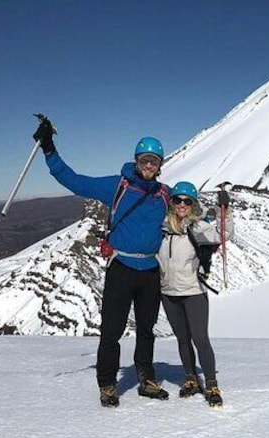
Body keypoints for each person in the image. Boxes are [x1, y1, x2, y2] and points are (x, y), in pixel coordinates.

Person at [32, 116, 171, 407]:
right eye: (145, 160)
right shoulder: (117, 187)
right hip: (122, 269)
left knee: (146, 330)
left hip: (150, 270)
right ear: (136, 161)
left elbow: (185, 220)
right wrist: (49, 149)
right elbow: (75, 181)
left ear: (160, 165)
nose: (149, 165)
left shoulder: (163, 195)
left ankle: (146, 379)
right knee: (112, 330)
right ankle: (108, 384)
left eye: (154, 161)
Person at [157, 182, 232, 407]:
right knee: (182, 338)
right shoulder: (161, 227)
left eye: (187, 201)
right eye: (177, 200)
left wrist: (225, 212)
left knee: (200, 338)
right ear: (171, 202)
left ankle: (211, 383)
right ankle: (190, 378)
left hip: (193, 291)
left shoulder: (199, 228)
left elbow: (224, 234)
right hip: (168, 291)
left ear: (193, 204)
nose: (182, 205)